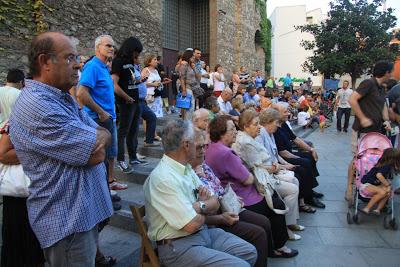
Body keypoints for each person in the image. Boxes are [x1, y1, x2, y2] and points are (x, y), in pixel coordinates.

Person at [9, 32, 113, 266]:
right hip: (68, 225)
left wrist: (100, 135)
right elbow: (96, 152)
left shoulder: (60, 98)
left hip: (79, 219)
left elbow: (100, 133)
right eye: (69, 58)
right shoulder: (39, 106)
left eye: (76, 57)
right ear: (45, 62)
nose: (77, 64)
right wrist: (100, 135)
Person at [143, 119, 257, 267]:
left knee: (249, 251)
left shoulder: (185, 168)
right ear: (186, 145)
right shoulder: (164, 179)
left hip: (202, 234)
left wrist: (196, 206)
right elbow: (192, 224)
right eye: (196, 143)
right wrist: (204, 206)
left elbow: (214, 201)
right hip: (179, 247)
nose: (202, 149)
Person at [205, 116, 298, 258]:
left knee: (275, 198)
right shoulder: (226, 152)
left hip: (235, 193)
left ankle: (274, 244)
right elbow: (248, 180)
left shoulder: (213, 147)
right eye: (232, 129)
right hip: (242, 196)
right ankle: (279, 246)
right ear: (222, 133)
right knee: (276, 204)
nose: (235, 131)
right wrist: (248, 170)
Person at [190, 129, 272, 267]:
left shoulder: (203, 166)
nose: (204, 150)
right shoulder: (190, 171)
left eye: (205, 146)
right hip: (213, 220)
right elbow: (200, 211)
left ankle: (269, 254)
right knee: (259, 232)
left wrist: (229, 199)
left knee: (263, 222)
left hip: (225, 208)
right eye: (200, 147)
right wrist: (208, 206)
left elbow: (216, 192)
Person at [232, 110, 303, 241]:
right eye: (255, 124)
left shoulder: (250, 138)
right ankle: (287, 227)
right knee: (292, 187)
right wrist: (276, 167)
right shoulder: (246, 142)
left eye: (259, 123)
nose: (259, 126)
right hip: (263, 181)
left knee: (295, 180)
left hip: (268, 175)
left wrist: (277, 166)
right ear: (246, 126)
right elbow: (257, 169)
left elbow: (266, 160)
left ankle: (290, 224)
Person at [78, 34, 127, 191]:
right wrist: (100, 112)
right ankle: (102, 192)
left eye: (113, 46)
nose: (112, 48)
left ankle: (109, 184)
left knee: (110, 154)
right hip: (98, 120)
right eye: (108, 45)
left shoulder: (104, 67)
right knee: (101, 159)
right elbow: (81, 93)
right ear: (97, 47)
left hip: (108, 119)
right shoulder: (92, 66)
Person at [346, 60, 393, 202]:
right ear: (386, 72)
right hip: (361, 130)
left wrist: (386, 121)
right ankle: (349, 187)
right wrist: (363, 118)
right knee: (357, 159)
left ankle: (367, 186)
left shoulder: (381, 88)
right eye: (390, 71)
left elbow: (383, 106)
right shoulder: (369, 83)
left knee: (372, 160)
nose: (391, 74)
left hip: (376, 132)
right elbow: (352, 99)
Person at [273, 103, 325, 209]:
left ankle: (310, 188)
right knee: (305, 162)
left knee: (309, 155)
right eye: (285, 112)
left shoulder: (283, 124)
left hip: (289, 153)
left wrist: (311, 149)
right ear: (277, 114)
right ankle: (308, 196)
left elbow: (296, 139)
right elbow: (282, 152)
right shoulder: (275, 128)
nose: (288, 113)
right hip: (283, 157)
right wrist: (299, 158)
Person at [111, 37, 147, 174]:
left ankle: (133, 157)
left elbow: (130, 81)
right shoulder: (118, 62)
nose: (137, 55)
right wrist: (126, 97)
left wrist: (139, 82)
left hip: (135, 101)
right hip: (126, 102)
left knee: (134, 131)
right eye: (136, 52)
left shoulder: (130, 62)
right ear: (130, 49)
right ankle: (121, 160)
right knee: (123, 131)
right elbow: (114, 84)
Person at [360, 148, 399, 215]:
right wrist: (388, 185)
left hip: (375, 184)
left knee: (388, 192)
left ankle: (378, 210)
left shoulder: (385, 164)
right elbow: (379, 175)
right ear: (393, 159)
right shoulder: (386, 166)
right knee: (383, 192)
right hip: (367, 183)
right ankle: (366, 208)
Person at [178, 50, 196, 120]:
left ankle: (188, 125)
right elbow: (182, 77)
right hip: (187, 89)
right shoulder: (184, 64)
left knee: (191, 108)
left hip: (191, 88)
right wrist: (184, 90)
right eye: (193, 56)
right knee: (189, 108)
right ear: (189, 56)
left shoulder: (189, 64)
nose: (194, 57)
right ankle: (187, 126)